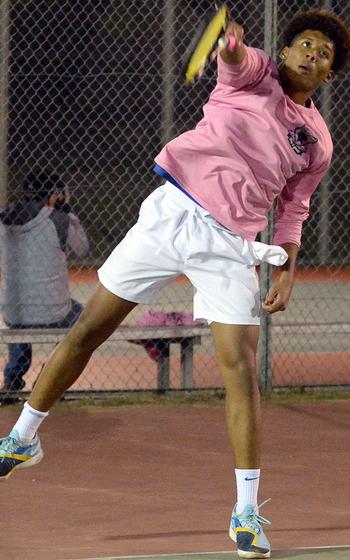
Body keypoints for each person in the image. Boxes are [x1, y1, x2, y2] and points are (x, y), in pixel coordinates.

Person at [1, 9, 349, 559]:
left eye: (324, 53)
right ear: (284, 53)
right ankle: (22, 437)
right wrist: (230, 46)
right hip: (169, 218)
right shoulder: (254, 74)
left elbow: (294, 210)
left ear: (330, 75)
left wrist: (286, 269)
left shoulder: (317, 143)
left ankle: (246, 513)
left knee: (240, 371)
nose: (312, 54)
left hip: (231, 246)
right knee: (89, 328)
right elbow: (234, 59)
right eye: (304, 44)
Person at [0, 170, 89, 401]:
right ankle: (50, 376)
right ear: (55, 194)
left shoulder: (3, 218)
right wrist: (67, 210)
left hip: (13, 311)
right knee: (84, 316)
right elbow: (82, 249)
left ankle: (12, 381)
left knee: (19, 326)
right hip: (55, 311)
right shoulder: (58, 219)